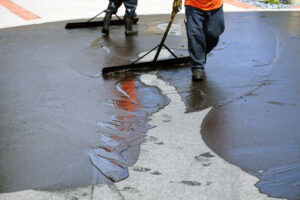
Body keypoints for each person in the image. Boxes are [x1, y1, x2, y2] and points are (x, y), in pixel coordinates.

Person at [173, 0, 225, 81]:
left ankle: (199, 53)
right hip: (193, 5)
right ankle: (197, 67)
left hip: (215, 5)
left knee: (214, 35)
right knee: (195, 35)